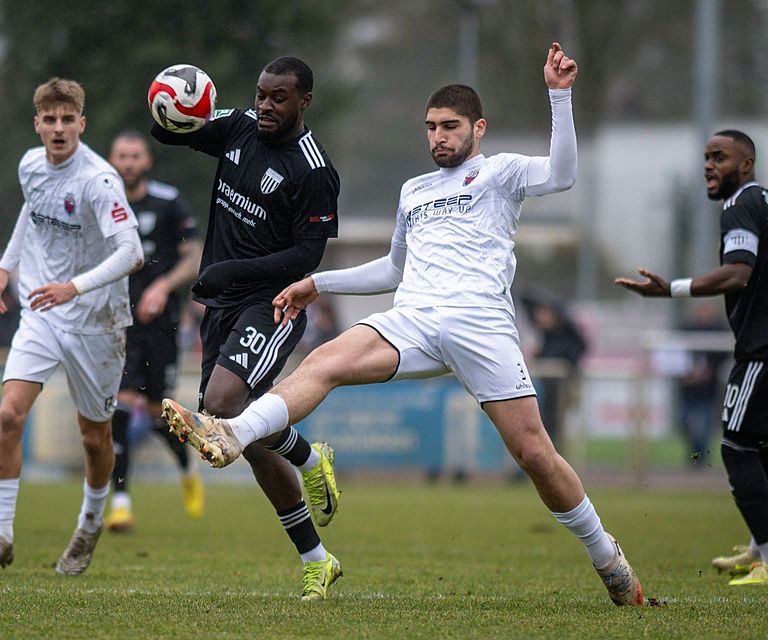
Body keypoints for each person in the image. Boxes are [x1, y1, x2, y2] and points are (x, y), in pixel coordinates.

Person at [164, 43, 646, 607]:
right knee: (325, 363)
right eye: (430, 127)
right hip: (413, 320)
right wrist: (319, 283)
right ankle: (232, 434)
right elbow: (393, 269)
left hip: (481, 326)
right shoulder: (414, 191)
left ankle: (609, 560)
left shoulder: (501, 173)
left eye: (449, 126)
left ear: (478, 129)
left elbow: (562, 174)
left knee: (536, 455)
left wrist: (558, 95)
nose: (438, 136)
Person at [151, 56, 344, 600]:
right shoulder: (238, 126)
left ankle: (306, 457)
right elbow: (170, 135)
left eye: (277, 98)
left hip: (273, 303)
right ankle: (317, 558)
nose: (264, 105)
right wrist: (168, 105)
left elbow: (307, 254)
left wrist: (229, 271)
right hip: (220, 305)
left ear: (303, 101)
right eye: (260, 94)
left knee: (224, 404)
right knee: (246, 438)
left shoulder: (314, 170)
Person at [0, 78, 143, 576]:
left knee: (94, 437)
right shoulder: (29, 164)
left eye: (69, 119)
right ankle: (1, 534)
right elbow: (33, 208)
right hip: (42, 310)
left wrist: (76, 286)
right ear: (38, 124)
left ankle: (89, 525)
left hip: (96, 322)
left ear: (82, 125)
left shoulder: (100, 180)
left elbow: (132, 253)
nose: (59, 127)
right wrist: (6, 265)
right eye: (51, 119)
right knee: (8, 417)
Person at [615, 129, 768, 587]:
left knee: (737, 447)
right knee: (761, 449)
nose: (708, 165)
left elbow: (739, 272)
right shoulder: (763, 200)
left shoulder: (740, 204)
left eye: (718, 157)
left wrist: (672, 289)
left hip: (761, 351)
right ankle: (760, 548)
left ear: (745, 164)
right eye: (705, 157)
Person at [103, 131, 204, 532]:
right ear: (111, 161)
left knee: (157, 409)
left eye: (135, 156)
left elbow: (193, 256)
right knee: (121, 409)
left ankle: (187, 467)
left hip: (162, 323)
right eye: (121, 155)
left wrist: (162, 286)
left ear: (147, 161)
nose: (127, 162)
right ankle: (123, 503)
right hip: (117, 321)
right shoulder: (103, 202)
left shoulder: (168, 201)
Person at [521, 291, 587, 451]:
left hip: (561, 389)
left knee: (556, 425)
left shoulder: (569, 335)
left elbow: (575, 354)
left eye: (544, 312)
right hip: (543, 389)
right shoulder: (545, 336)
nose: (540, 316)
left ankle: (556, 456)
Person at [676, 301, 729, 467]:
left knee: (704, 426)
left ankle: (699, 460)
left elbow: (723, 355)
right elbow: (676, 352)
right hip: (688, 387)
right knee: (684, 422)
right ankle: (694, 454)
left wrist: (709, 372)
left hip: (707, 389)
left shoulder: (718, 330)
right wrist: (686, 372)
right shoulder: (687, 328)